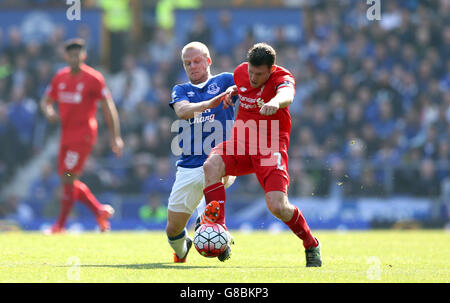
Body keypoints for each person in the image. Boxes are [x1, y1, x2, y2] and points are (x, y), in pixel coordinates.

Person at [200, 43, 322, 267]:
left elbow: (287, 94)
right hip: (241, 143)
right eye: (251, 72)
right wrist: (232, 94)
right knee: (211, 166)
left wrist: (275, 102)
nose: (253, 77)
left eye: (259, 74)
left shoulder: (282, 78)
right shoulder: (240, 72)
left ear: (271, 69)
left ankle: (310, 243)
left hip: (270, 147)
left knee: (277, 206)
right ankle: (221, 233)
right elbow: (240, 88)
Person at [40, 38, 123, 234]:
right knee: (67, 180)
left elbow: (108, 107)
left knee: (68, 178)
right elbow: (45, 101)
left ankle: (59, 226)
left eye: (78, 54)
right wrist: (49, 111)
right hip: (65, 136)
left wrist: (115, 137)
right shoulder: (60, 77)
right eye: (71, 54)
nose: (74, 58)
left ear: (83, 56)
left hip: (83, 135)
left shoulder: (93, 78)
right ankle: (99, 211)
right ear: (66, 56)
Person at [166, 41, 236, 263]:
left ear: (208, 61)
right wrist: (208, 104)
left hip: (221, 161)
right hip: (189, 166)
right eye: (187, 63)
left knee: (209, 211)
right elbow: (182, 111)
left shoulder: (226, 80)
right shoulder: (181, 90)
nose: (192, 66)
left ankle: (217, 233)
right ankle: (184, 246)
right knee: (172, 231)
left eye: (197, 61)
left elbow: (252, 83)